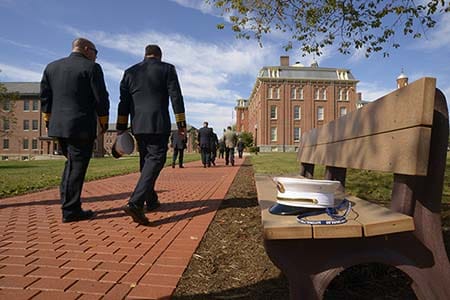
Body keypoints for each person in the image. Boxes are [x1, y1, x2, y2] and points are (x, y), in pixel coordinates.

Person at [40, 37, 110, 223]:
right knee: (77, 167)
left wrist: (48, 121)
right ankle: (71, 210)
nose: (96, 56)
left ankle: (68, 202)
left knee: (71, 164)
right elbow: (101, 98)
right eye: (96, 52)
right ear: (87, 49)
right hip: (80, 126)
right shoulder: (92, 68)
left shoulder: (51, 67)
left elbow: (45, 98)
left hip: (58, 126)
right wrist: (103, 122)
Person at [117, 44, 186, 225]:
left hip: (138, 124)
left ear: (146, 54)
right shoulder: (167, 69)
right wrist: (181, 124)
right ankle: (136, 203)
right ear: (159, 55)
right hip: (158, 122)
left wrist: (121, 127)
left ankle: (152, 200)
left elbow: (123, 102)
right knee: (156, 159)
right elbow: (176, 97)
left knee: (146, 160)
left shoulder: (129, 72)